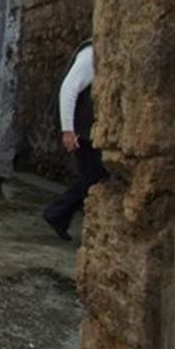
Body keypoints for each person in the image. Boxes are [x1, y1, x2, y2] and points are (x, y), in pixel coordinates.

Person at [43, 41, 108, 240]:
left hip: (87, 128)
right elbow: (69, 88)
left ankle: (58, 214)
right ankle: (56, 213)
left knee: (93, 175)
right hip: (81, 129)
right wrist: (68, 130)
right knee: (94, 176)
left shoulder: (100, 51)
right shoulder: (91, 53)